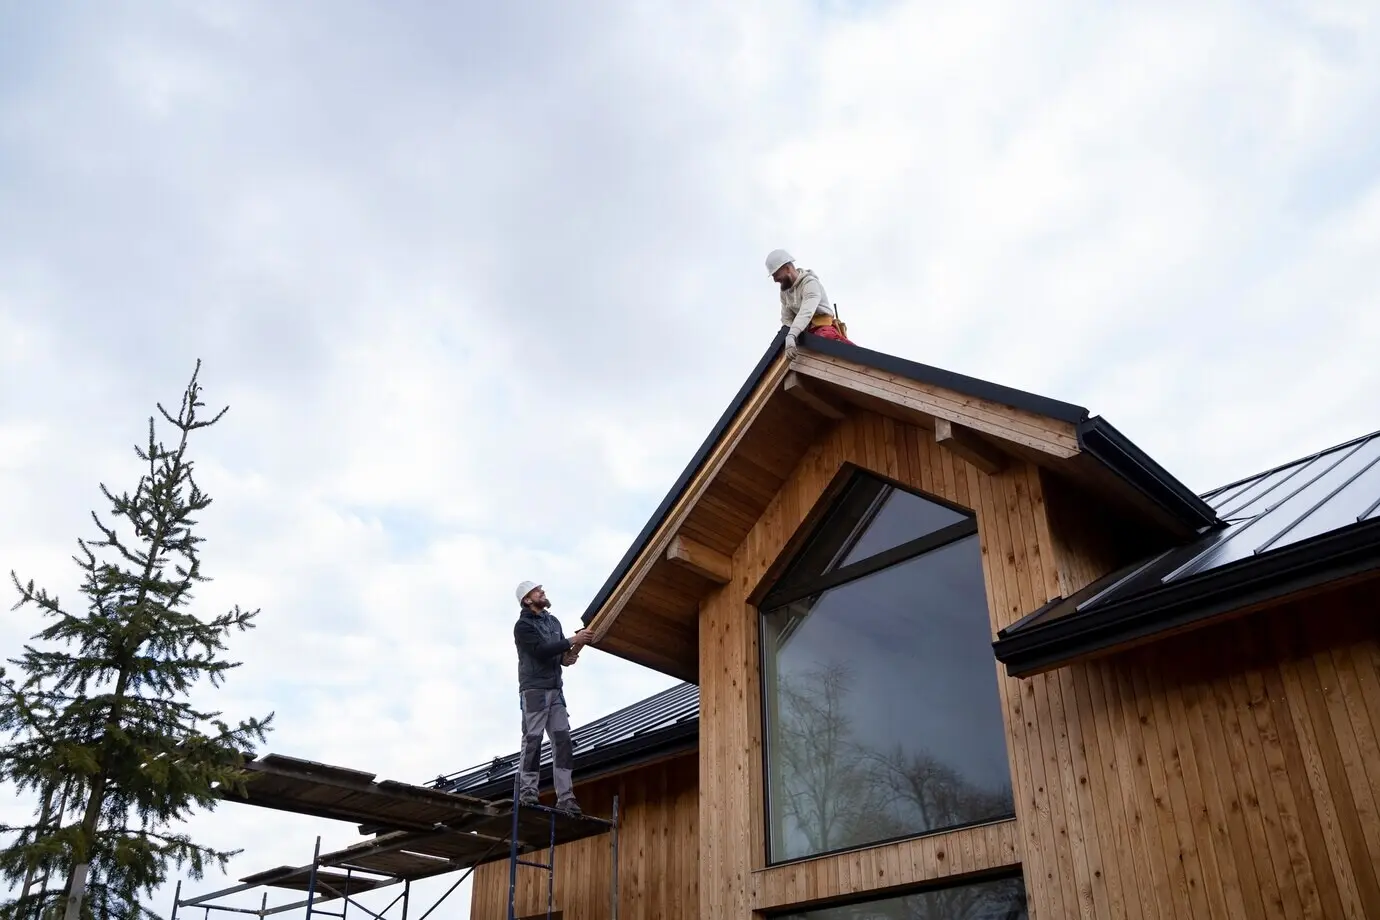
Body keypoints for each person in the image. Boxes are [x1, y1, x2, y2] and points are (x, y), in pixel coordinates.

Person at [512, 580, 593, 814]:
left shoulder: (553, 622)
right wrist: (572, 641)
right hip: (535, 690)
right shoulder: (523, 626)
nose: (542, 592)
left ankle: (566, 797)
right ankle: (528, 791)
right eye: (537, 591)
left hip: (556, 690)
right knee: (533, 740)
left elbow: (556, 654)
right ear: (527, 600)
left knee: (563, 741)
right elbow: (539, 651)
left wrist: (566, 657)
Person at [766, 248, 854, 359]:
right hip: (805, 333)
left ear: (787, 269)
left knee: (825, 339)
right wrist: (786, 338)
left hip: (823, 329)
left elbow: (806, 312)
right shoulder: (785, 293)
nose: (775, 280)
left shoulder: (810, 283)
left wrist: (792, 335)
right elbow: (787, 320)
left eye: (776, 275)